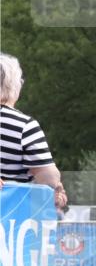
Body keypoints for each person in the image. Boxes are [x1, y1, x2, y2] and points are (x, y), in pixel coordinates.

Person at [0, 53, 68, 208]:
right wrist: (56, 189)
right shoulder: (24, 126)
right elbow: (49, 179)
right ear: (15, 87)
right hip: (9, 220)